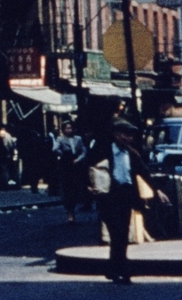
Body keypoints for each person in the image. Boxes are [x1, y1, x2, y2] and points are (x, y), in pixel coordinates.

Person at [90, 119, 167, 285]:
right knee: (117, 232)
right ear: (116, 135)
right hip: (108, 196)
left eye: (130, 135)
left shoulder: (132, 154)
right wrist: (89, 188)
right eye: (126, 135)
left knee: (122, 234)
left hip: (126, 196)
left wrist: (157, 191)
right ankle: (123, 270)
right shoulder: (102, 151)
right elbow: (86, 168)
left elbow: (144, 173)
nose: (129, 138)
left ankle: (113, 268)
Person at [53, 121, 87, 223]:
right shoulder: (60, 139)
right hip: (66, 165)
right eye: (67, 128)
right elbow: (55, 149)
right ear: (63, 130)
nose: (69, 130)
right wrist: (63, 154)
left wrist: (79, 159)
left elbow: (83, 151)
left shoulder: (78, 139)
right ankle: (69, 212)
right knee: (68, 189)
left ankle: (74, 206)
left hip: (76, 165)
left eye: (70, 128)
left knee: (76, 188)